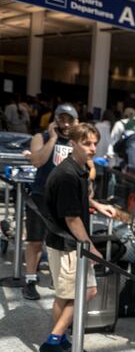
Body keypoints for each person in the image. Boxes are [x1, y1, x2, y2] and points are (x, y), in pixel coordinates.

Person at [32, 123, 116, 352]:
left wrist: (97, 205)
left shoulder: (75, 169)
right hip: (67, 242)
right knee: (86, 291)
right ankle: (53, 342)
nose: (92, 148)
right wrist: (91, 246)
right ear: (73, 143)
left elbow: (78, 202)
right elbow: (72, 218)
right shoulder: (68, 174)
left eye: (94, 143)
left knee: (65, 295)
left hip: (65, 241)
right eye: (86, 143)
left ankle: (61, 340)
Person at [23, 104, 80, 300]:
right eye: (61, 119)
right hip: (41, 195)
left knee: (61, 243)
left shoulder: (76, 141)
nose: (65, 123)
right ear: (55, 119)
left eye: (69, 119)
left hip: (65, 199)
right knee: (35, 240)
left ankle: (60, 280)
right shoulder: (42, 137)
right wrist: (53, 138)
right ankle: (30, 279)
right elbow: (37, 161)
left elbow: (87, 165)